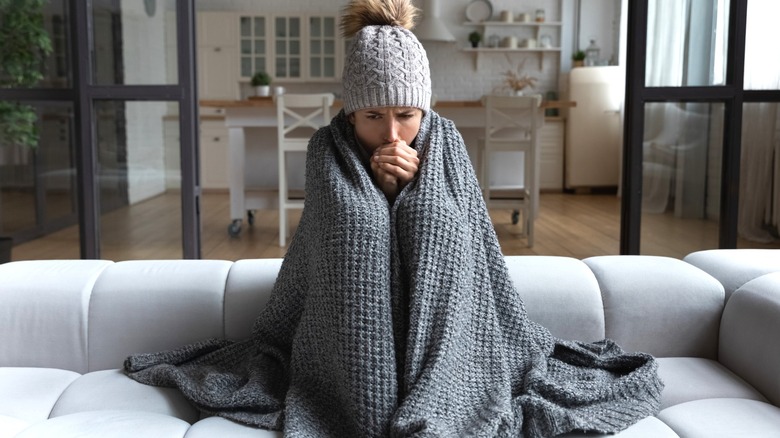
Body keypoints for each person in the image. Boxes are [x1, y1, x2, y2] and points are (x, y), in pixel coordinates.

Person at [125, 1, 663, 436]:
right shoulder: (326, 149)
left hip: (452, 325)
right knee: (360, 226)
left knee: (432, 218)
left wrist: (411, 192)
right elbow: (336, 239)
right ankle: (364, 390)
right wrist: (378, 189)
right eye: (373, 117)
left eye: (406, 116)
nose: (391, 134)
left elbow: (465, 236)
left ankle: (438, 378)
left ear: (424, 111)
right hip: (339, 340)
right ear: (350, 112)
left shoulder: (445, 141)